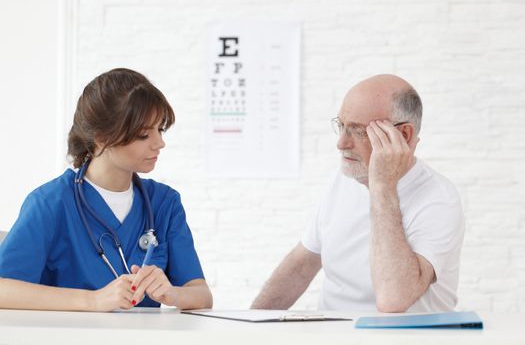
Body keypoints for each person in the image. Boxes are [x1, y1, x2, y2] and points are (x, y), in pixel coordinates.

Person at [0, 68, 212, 312]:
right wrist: (93, 300)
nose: (159, 143)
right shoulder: (50, 203)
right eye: (144, 134)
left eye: (160, 130)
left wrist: (172, 293)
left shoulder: (164, 203)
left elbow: (202, 295)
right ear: (101, 137)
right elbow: (4, 289)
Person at [251, 74, 464, 313]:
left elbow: (393, 299)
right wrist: (249, 325)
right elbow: (300, 267)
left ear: (403, 135)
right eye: (341, 126)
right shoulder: (343, 180)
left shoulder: (438, 198)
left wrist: (382, 186)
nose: (341, 143)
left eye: (358, 130)